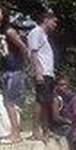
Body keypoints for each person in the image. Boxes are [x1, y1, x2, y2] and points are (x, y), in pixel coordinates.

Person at [0, 4, 27, 142]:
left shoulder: (9, 30)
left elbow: (22, 46)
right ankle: (14, 131)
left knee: (11, 102)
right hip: (5, 68)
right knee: (7, 102)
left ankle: (16, 133)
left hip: (14, 68)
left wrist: (25, 64)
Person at [28, 10, 59, 140]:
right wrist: (38, 72)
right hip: (42, 72)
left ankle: (46, 129)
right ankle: (36, 130)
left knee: (47, 102)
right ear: (46, 19)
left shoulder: (44, 36)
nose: (55, 24)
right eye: (54, 21)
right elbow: (33, 53)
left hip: (49, 72)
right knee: (40, 101)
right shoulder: (36, 32)